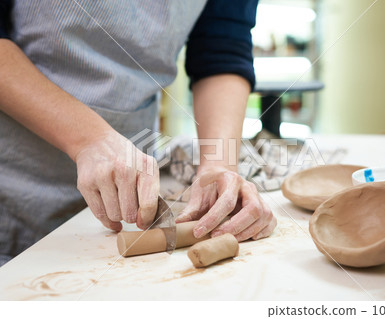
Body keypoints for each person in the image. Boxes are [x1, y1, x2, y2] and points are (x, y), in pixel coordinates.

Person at [0, 0, 277, 266]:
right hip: (18, 181)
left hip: (133, 186)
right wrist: (88, 139)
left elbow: (222, 49)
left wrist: (219, 165)